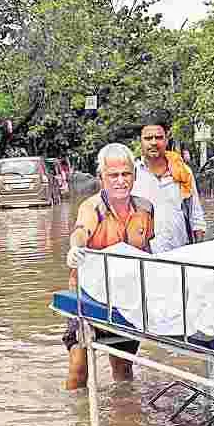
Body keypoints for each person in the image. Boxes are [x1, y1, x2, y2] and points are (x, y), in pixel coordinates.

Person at [63, 143, 157, 390]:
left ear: (134, 176)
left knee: (123, 368)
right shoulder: (92, 207)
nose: (120, 181)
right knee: (78, 369)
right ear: (101, 178)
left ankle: (124, 416)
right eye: (112, 175)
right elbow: (81, 232)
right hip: (88, 297)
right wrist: (75, 248)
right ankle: (76, 421)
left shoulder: (146, 209)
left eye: (125, 174)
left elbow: (146, 250)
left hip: (127, 298)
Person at [132, 110, 207, 253]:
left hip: (180, 256)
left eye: (159, 137)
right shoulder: (131, 175)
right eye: (148, 138)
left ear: (167, 139)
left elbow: (196, 217)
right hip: (143, 257)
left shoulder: (183, 172)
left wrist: (198, 251)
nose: (154, 142)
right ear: (140, 141)